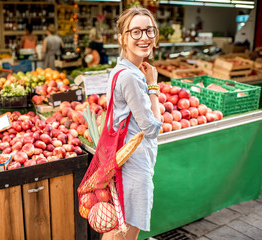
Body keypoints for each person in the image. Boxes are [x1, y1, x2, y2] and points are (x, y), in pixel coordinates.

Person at [102, 7, 162, 240]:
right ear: (122, 38)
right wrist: (153, 86)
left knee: (117, 227)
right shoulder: (130, 76)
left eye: (149, 30)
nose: (144, 37)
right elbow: (152, 128)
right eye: (135, 31)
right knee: (125, 232)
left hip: (123, 161)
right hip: (133, 166)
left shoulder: (122, 71)